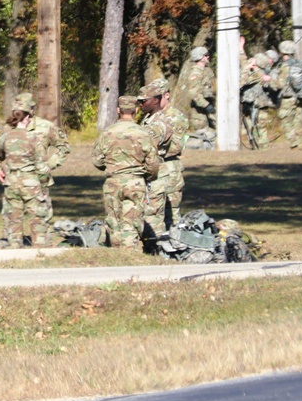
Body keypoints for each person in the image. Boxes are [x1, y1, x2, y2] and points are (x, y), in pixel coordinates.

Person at [91, 95, 159, 249]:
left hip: (113, 182)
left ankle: (117, 254)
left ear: (118, 111)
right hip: (135, 182)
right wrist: (147, 176)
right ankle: (129, 253)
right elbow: (153, 163)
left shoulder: (107, 133)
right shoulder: (143, 133)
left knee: (113, 221)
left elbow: (96, 160)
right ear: (136, 110)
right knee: (132, 222)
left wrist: (111, 166)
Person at [0, 100, 51, 247]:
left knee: (14, 219)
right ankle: (39, 248)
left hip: (11, 182)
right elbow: (42, 167)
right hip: (31, 182)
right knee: (37, 218)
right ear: (26, 118)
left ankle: (14, 248)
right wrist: (43, 186)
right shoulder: (33, 138)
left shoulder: (5, 137)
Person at [138, 78, 188, 235]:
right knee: (153, 210)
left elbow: (177, 146)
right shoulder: (150, 116)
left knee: (171, 214)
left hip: (169, 168)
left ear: (166, 95)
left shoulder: (176, 117)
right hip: (154, 167)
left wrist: (153, 150)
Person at [14, 92, 71, 225]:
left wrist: (49, 164)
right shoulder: (10, 127)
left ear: (32, 110)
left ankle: (42, 242)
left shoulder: (45, 127)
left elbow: (64, 146)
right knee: (13, 219)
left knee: (42, 218)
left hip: (38, 178)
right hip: (16, 179)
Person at [271, 40, 302, 149]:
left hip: (288, 99)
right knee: (297, 122)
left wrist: (270, 79)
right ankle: (300, 145)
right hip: (300, 98)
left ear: (282, 52)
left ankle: (293, 144)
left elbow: (281, 84)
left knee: (286, 122)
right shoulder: (299, 64)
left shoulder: (285, 66)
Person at [240, 52, 277, 149]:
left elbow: (241, 82)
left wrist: (246, 68)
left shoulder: (257, 74)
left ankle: (264, 150)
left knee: (258, 130)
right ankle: (260, 149)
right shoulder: (259, 72)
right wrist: (241, 50)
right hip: (257, 104)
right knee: (256, 129)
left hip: (257, 106)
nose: (252, 60)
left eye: (254, 59)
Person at [183, 46, 216, 132]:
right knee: (202, 137)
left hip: (211, 107)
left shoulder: (207, 71)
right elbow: (194, 93)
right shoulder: (195, 73)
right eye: (206, 55)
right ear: (199, 57)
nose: (208, 56)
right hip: (200, 113)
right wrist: (206, 105)